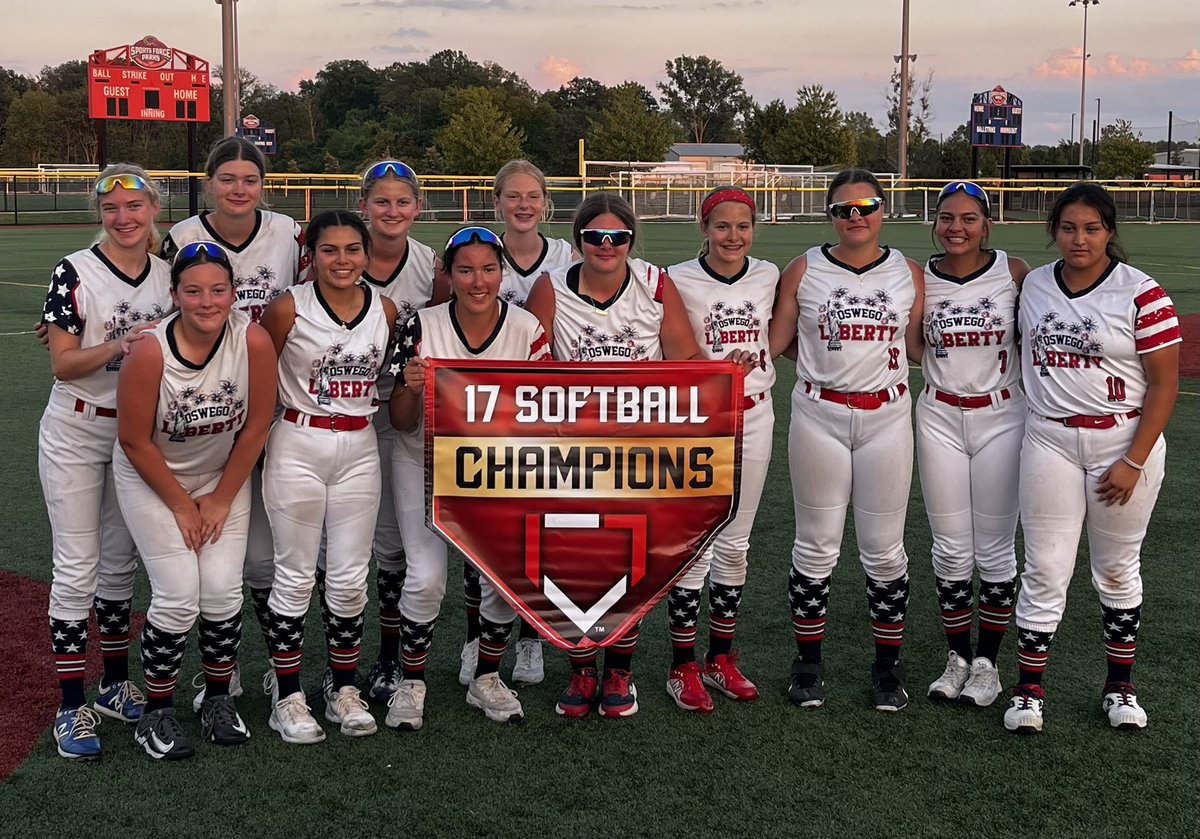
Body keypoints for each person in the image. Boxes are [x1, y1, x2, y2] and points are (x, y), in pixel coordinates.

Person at [525, 192, 746, 719]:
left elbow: (684, 356)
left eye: (617, 237)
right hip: (572, 449)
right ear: (579, 240)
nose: (606, 246)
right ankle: (581, 667)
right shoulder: (551, 287)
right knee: (577, 560)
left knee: (631, 559)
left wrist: (722, 371)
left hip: (640, 445)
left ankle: (620, 668)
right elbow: (529, 366)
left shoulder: (653, 283)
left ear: (630, 240)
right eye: (595, 237)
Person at [1004, 183, 1180, 734]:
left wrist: (1133, 459)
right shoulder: (1033, 284)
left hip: (1121, 443)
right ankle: (1029, 688)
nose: (1079, 239)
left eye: (1092, 228)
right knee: (1045, 567)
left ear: (1109, 232)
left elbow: (1164, 385)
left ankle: (1119, 685)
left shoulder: (1141, 292)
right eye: (1068, 227)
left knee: (1116, 568)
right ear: (1053, 230)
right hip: (1050, 439)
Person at [768, 168, 924, 712]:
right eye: (843, 208)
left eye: (865, 206)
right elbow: (777, 343)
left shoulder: (907, 272)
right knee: (816, 544)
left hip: (886, 416)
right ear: (830, 215)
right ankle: (807, 665)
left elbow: (920, 345)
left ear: (883, 209)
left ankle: (887, 669)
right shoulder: (805, 269)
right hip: (820, 414)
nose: (855, 216)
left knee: (884, 551)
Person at [385, 226, 553, 730]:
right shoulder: (420, 323)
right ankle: (410, 681)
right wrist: (411, 388)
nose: (478, 281)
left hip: (497, 469)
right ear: (448, 274)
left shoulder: (526, 328)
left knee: (503, 581)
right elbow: (400, 420)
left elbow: (544, 413)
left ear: (502, 272)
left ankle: (486, 676)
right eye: (465, 270)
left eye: (488, 269)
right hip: (424, 461)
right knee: (426, 577)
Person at [113, 242, 276, 759]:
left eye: (218, 289)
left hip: (220, 476)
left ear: (233, 292)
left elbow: (256, 426)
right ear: (175, 294)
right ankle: (157, 712)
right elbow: (134, 441)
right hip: (153, 476)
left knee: (224, 592)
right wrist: (183, 505)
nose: (207, 301)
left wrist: (222, 498)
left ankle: (217, 699)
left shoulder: (252, 339)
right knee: (180, 592)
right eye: (193, 291)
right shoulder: (150, 350)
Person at [161, 137, 304, 712]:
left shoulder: (289, 232)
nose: (238, 189)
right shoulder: (181, 238)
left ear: (262, 185)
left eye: (249, 179)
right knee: (222, 556)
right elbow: (155, 299)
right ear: (209, 181)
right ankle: (223, 674)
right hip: (207, 406)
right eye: (227, 179)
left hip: (275, 396)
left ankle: (274, 667)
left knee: (268, 554)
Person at [38, 164, 172, 759]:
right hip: (77, 426)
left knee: (120, 566)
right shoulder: (75, 270)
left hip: (137, 433)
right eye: (114, 208)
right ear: (100, 213)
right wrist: (121, 344)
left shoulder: (171, 275)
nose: (124, 218)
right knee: (77, 565)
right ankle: (72, 706)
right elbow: (63, 364)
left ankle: (115, 684)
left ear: (152, 211)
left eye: (136, 206)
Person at [259, 211, 398, 744]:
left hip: (360, 444)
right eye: (330, 250)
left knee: (346, 578)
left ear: (366, 254)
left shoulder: (384, 309)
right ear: (311, 255)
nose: (342, 260)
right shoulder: (289, 306)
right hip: (298, 439)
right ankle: (288, 695)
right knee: (294, 575)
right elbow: (255, 373)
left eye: (352, 250)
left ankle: (342, 687)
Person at [457, 160, 578, 691]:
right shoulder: (479, 252)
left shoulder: (565, 256)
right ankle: (472, 636)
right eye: (513, 196)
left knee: (535, 529)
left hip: (541, 408)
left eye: (533, 195)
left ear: (545, 202)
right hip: (479, 413)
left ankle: (530, 639)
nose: (523, 205)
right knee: (474, 531)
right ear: (498, 201)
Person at [664, 186, 779, 711]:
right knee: (697, 545)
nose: (733, 235)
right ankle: (681, 664)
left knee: (736, 543)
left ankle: (721, 657)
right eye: (722, 225)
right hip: (699, 420)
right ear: (704, 228)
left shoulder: (769, 274)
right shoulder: (674, 277)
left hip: (755, 414)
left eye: (743, 225)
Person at [918, 182, 1029, 708]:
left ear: (988, 224)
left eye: (968, 218)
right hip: (938, 414)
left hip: (1001, 416)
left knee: (994, 549)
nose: (955, 227)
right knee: (950, 547)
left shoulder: (1014, 272)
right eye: (946, 218)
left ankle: (988, 662)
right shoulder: (922, 279)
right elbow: (913, 343)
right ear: (934, 223)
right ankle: (957, 657)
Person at [338, 160, 440, 706]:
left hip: (409, 412)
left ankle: (392, 654)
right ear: (364, 207)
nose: (392, 211)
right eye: (381, 202)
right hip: (349, 410)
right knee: (374, 542)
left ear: (417, 208)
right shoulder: (341, 254)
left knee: (403, 538)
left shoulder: (429, 263)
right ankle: (371, 656)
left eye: (402, 202)